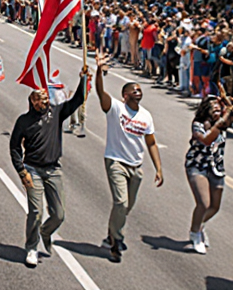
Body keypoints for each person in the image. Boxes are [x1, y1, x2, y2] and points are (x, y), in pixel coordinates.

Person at [9, 64, 89, 267]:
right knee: (36, 212)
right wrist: (21, 171)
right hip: (32, 170)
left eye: (45, 97)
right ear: (32, 100)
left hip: (54, 170)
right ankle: (32, 247)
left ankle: (46, 231)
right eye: (39, 98)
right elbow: (15, 148)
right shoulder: (23, 121)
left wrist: (84, 79)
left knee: (59, 215)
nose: (44, 101)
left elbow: (78, 100)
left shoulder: (56, 113)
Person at [96, 57, 163, 263]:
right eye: (133, 89)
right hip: (115, 161)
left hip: (136, 165)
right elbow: (100, 93)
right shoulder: (116, 108)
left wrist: (158, 169)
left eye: (139, 89)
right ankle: (116, 242)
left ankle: (111, 233)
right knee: (120, 202)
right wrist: (98, 71)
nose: (137, 91)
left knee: (126, 207)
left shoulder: (146, 116)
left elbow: (151, 143)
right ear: (124, 96)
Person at [184, 93, 233, 254]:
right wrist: (222, 119)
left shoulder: (223, 123)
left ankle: (199, 225)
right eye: (213, 108)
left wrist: (228, 103)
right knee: (204, 203)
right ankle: (195, 234)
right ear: (205, 109)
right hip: (197, 165)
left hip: (216, 168)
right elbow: (206, 140)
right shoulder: (198, 124)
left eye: (219, 108)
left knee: (215, 206)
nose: (218, 110)